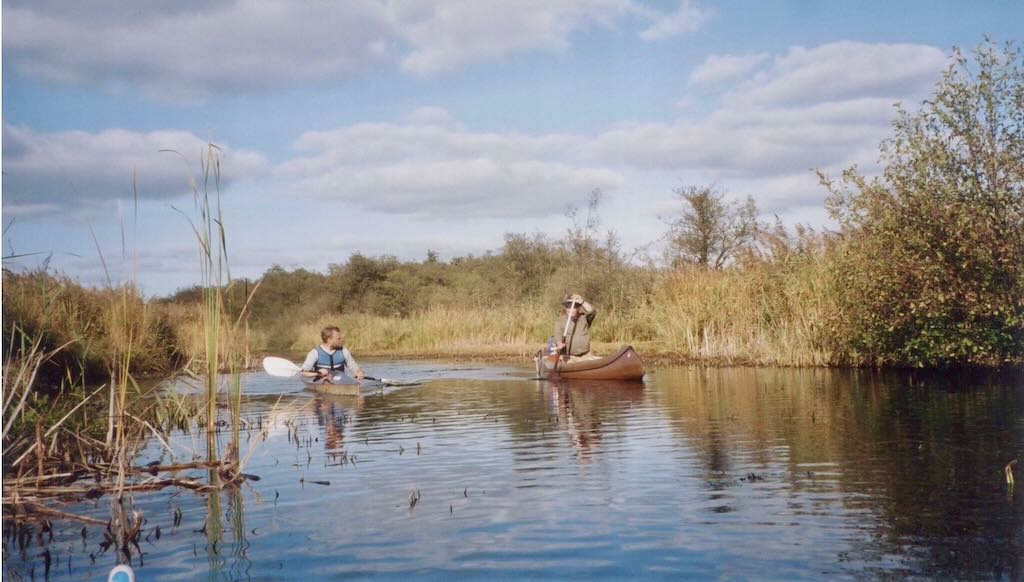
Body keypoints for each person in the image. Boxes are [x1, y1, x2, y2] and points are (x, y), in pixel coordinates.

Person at [552, 293, 598, 362]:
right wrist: (559, 344)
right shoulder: (560, 322)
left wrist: (582, 301)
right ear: (565, 308)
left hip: (585, 356)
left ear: (578, 308)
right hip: (568, 357)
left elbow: (592, 311)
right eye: (568, 307)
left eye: (573, 307)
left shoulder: (584, 318)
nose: (570, 310)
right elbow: (558, 336)